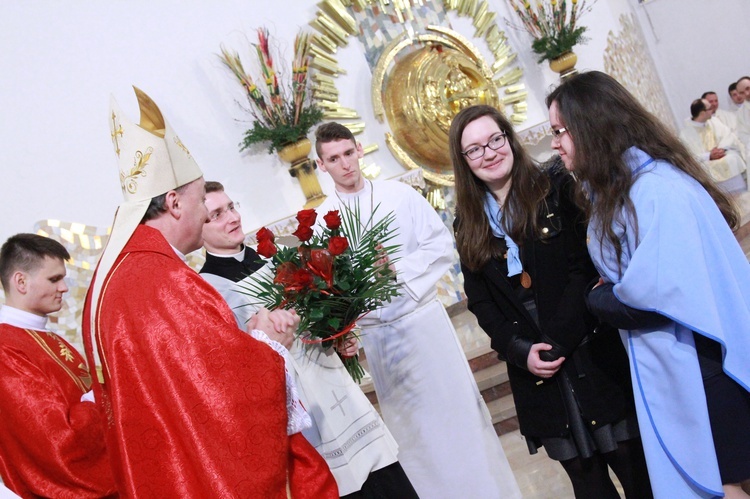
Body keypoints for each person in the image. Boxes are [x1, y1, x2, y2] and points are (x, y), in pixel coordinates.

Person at [82, 87, 337, 498]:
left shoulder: (123, 273)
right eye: (202, 200)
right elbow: (227, 395)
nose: (205, 212)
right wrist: (267, 345)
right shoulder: (164, 282)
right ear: (173, 202)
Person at [547, 70, 750, 499]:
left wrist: (598, 296)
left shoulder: (655, 189)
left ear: (590, 127)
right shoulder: (623, 187)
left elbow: (648, 297)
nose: (554, 143)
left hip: (704, 364)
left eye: (560, 131)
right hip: (683, 358)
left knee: (722, 485)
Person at [449, 105, 652, 499]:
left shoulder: (556, 187)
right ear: (464, 162)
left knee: (632, 464)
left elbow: (584, 267)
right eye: (474, 150)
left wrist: (559, 339)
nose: (489, 153)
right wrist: (519, 350)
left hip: (588, 349)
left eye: (494, 139)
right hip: (536, 371)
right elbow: (481, 302)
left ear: (509, 138)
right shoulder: (467, 222)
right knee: (585, 478)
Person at [313, 122, 521, 499]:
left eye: (348, 153)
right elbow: (327, 289)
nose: (344, 164)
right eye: (333, 159)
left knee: (460, 418)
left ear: (359, 150)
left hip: (425, 324)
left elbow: (442, 245)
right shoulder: (322, 222)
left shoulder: (400, 196)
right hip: (381, 339)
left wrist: (396, 269)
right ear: (321, 165)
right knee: (414, 432)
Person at [199, 181, 418, 499]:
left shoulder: (277, 259)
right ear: (199, 227)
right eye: (216, 214)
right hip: (300, 408)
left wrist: (340, 337)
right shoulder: (209, 289)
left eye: (231, 207)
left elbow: (320, 318)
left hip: (335, 385)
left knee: (384, 477)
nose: (231, 217)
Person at [0, 234, 116, 498]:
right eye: (54, 279)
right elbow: (56, 442)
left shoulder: (50, 338)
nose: (64, 287)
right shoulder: (6, 349)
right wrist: (101, 393)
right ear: (21, 281)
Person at [679, 97, 746, 193]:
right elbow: (689, 156)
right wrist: (709, 155)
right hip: (706, 162)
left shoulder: (714, 121)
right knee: (703, 170)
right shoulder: (685, 134)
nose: (713, 110)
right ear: (702, 113)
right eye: (709, 108)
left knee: (733, 158)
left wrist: (721, 149)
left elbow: (728, 136)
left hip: (723, 155)